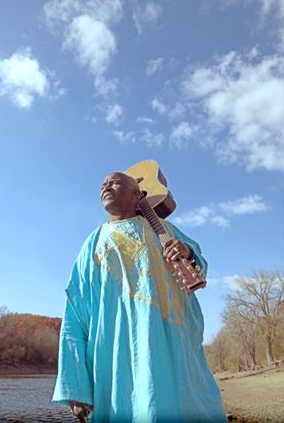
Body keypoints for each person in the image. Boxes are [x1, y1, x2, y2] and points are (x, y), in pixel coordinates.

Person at [53, 171, 227, 422]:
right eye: (103, 183)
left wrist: (187, 251)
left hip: (175, 352)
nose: (106, 185)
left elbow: (199, 265)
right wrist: (76, 386)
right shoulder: (93, 243)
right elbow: (75, 315)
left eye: (115, 182)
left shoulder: (164, 230)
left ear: (138, 195)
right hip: (115, 361)